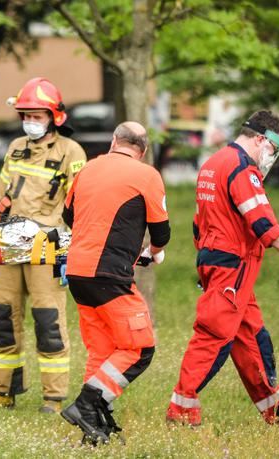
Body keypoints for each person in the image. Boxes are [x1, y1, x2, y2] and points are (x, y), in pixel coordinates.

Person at [166, 110, 279, 427]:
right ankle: (180, 412)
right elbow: (261, 220)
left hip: (219, 264)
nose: (270, 159)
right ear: (262, 140)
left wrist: (206, 264)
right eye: (272, 151)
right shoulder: (242, 169)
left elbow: (200, 222)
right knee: (213, 338)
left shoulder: (212, 164)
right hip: (233, 268)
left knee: (252, 340)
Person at [0, 77, 87, 414]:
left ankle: (53, 398)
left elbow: (79, 204)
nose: (30, 122)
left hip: (46, 247)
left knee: (47, 320)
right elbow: (1, 196)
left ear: (54, 117)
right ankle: (2, 391)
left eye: (37, 115)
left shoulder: (71, 152)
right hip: (7, 244)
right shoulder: (16, 147)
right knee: (2, 316)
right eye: (26, 115)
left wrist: (70, 250)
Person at [60, 122, 170, 444]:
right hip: (109, 276)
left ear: (113, 142)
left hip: (77, 273)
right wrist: (153, 252)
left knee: (103, 350)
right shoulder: (147, 175)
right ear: (143, 150)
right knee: (140, 349)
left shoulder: (89, 168)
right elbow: (161, 233)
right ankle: (85, 406)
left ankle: (94, 428)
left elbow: (70, 216)